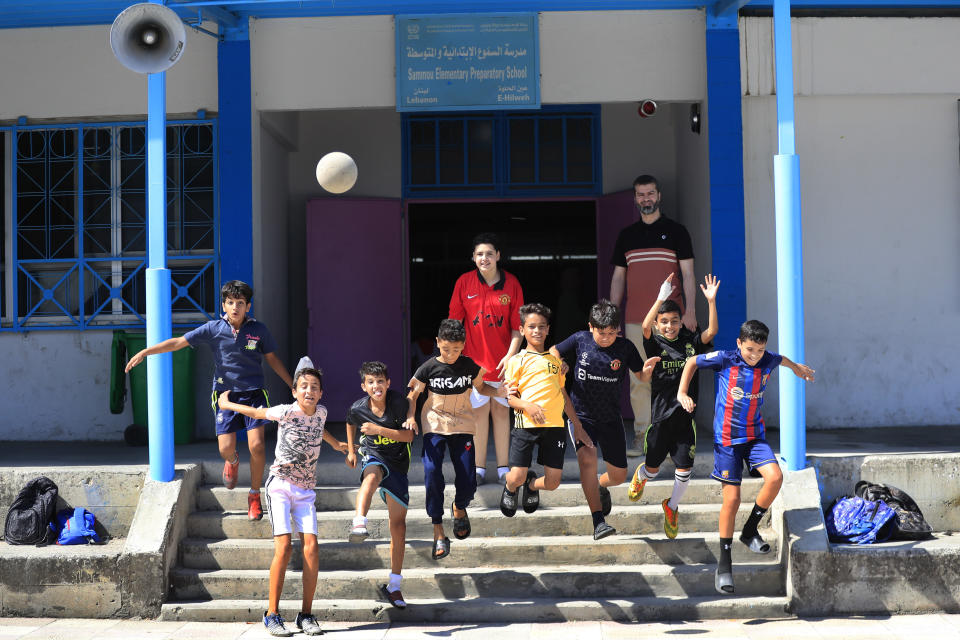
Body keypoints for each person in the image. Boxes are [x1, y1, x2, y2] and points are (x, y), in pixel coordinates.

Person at [125, 280, 293, 521]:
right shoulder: (213, 329)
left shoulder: (259, 330)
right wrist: (144, 352)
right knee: (225, 448)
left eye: (241, 303)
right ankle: (232, 461)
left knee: (256, 446)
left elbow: (273, 359)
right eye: (231, 302)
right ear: (223, 305)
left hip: (255, 394)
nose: (235, 307)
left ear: (248, 306)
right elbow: (178, 343)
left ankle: (255, 495)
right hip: (225, 396)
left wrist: (292, 386)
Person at [676, 320, 815, 595]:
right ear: (740, 344)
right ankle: (725, 565)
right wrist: (682, 392)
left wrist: (797, 368)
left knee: (775, 477)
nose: (755, 355)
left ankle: (750, 529)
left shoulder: (768, 360)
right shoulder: (726, 358)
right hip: (727, 440)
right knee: (733, 499)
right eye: (750, 349)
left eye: (760, 350)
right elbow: (692, 361)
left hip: (754, 436)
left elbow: (781, 359)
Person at [217, 360, 349, 637]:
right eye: (304, 386)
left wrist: (337, 444)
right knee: (285, 547)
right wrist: (228, 406)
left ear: (321, 393)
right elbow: (255, 411)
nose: (309, 391)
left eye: (314, 387)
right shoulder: (285, 412)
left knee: (311, 548)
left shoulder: (322, 413)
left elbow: (319, 428)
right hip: (280, 486)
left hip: (305, 491)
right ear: (294, 391)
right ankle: (272, 614)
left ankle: (306, 615)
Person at [550, 300, 659, 540]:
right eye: (602, 333)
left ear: (618, 329)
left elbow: (639, 375)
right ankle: (598, 521)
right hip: (581, 415)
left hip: (610, 417)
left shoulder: (625, 348)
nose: (607, 338)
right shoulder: (580, 339)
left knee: (619, 476)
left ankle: (600, 485)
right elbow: (553, 351)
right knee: (587, 460)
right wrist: (560, 363)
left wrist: (647, 373)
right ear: (591, 327)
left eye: (612, 333)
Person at [627, 273, 720, 539]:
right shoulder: (654, 341)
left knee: (685, 469)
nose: (670, 326)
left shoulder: (690, 343)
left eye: (674, 321)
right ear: (659, 324)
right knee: (653, 469)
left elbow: (711, 332)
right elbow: (644, 327)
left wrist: (710, 301)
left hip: (684, 418)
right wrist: (660, 297)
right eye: (664, 322)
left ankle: (672, 506)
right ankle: (643, 475)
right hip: (660, 418)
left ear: (681, 323)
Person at [405, 319, 507, 560]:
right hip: (434, 423)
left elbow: (482, 389)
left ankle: (459, 507)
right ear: (438, 343)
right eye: (446, 349)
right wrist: (411, 417)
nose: (451, 355)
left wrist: (499, 391)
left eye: (456, 350)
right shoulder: (427, 368)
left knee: (468, 479)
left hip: (462, 423)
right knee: (432, 473)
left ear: (463, 346)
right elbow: (413, 395)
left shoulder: (469, 366)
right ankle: (438, 530)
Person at [610, 175, 696, 457]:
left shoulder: (677, 232)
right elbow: (619, 279)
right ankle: (642, 436)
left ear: (659, 196)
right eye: (640, 195)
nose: (646, 199)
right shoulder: (627, 236)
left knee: (675, 379)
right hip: (637, 320)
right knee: (639, 379)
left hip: (672, 321)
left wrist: (691, 311)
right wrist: (612, 316)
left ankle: (673, 439)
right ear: (635, 199)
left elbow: (687, 274)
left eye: (650, 194)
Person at [500, 303, 593, 518]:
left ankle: (532, 486)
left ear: (548, 329)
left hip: (555, 427)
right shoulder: (516, 361)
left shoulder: (555, 362)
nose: (537, 331)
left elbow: (563, 395)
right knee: (515, 477)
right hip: (526, 426)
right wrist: (528, 406)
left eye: (542, 326)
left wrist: (577, 426)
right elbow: (510, 398)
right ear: (522, 330)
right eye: (531, 326)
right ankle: (511, 488)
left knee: (552, 483)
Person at [449, 232, 524, 485]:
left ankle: (504, 469)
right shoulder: (464, 283)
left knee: (502, 415)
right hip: (474, 365)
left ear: (498, 256)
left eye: (489, 253)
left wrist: (510, 356)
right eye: (479, 254)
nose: (484, 258)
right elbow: (454, 324)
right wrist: (455, 359)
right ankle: (479, 469)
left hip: (504, 363)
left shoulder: (512, 284)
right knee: (478, 414)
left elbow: (519, 327)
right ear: (473, 257)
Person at [344, 361, 413, 609]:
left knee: (399, 526)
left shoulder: (398, 403)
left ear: (388, 383)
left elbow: (408, 436)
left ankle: (394, 586)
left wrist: (379, 429)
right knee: (371, 476)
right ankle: (359, 522)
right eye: (371, 382)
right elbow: (350, 422)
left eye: (380, 381)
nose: (376, 386)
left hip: (398, 466)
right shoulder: (358, 407)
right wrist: (351, 451)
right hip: (373, 455)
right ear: (364, 386)